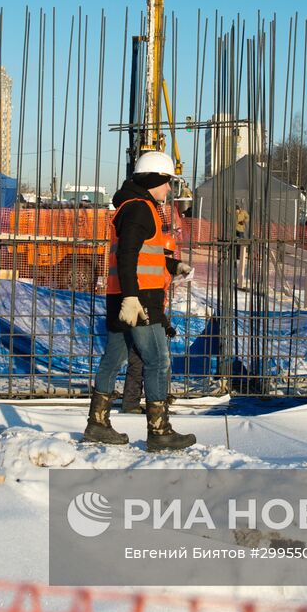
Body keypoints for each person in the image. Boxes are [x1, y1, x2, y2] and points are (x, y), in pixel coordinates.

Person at [83, 150, 195, 450]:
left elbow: (143, 253)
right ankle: (159, 432)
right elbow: (129, 255)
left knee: (114, 358)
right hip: (140, 298)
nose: (170, 189)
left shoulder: (130, 207)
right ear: (154, 179)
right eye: (167, 182)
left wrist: (172, 266)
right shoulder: (140, 209)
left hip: (121, 296)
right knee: (157, 360)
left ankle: (97, 424)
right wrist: (133, 298)